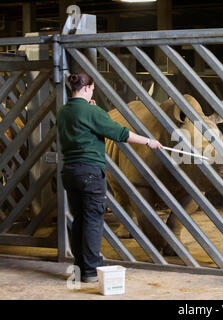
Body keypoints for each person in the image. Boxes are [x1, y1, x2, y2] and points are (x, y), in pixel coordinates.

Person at [56, 73, 163, 283]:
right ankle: (92, 271)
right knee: (93, 221)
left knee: (79, 220)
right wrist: (148, 141)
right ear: (87, 89)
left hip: (70, 171)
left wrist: (92, 110)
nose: (92, 93)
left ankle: (80, 268)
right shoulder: (92, 111)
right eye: (92, 90)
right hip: (90, 173)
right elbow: (120, 133)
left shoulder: (64, 111)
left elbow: (84, 121)